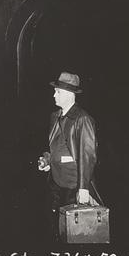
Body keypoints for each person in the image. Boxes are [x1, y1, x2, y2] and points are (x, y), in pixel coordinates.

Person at [37, 71, 99, 239]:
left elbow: (88, 156)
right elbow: (57, 147)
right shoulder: (54, 117)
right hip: (55, 182)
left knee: (75, 232)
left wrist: (83, 188)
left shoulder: (82, 119)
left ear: (70, 94)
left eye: (58, 91)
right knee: (57, 228)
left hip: (73, 185)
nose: (54, 94)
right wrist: (47, 160)